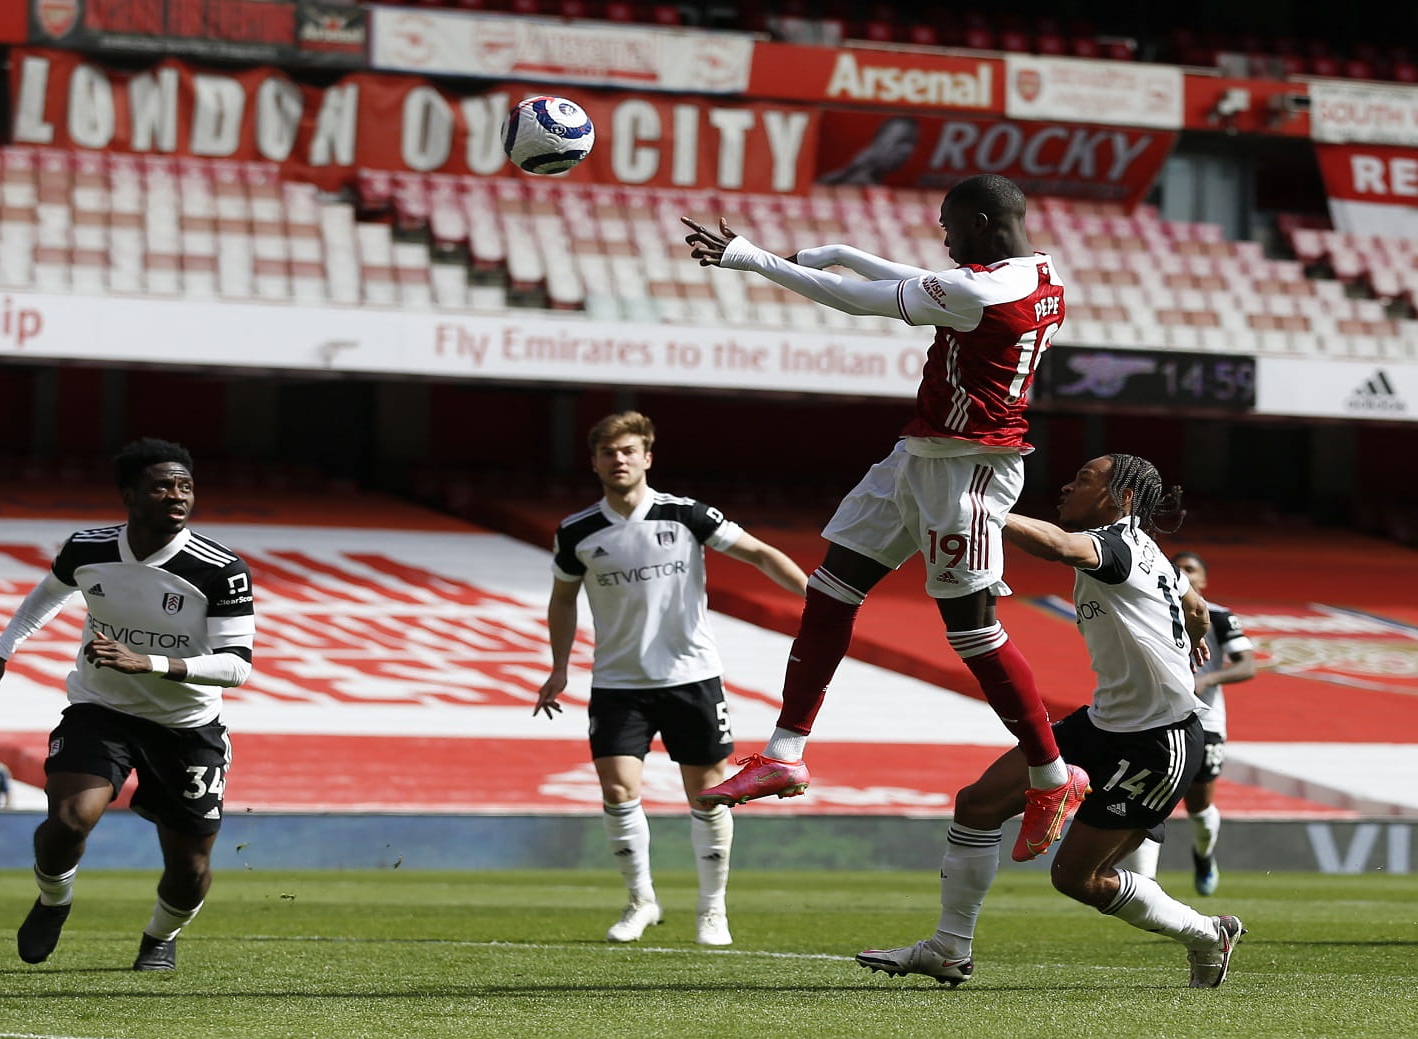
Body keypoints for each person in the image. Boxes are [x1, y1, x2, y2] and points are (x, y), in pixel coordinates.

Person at [682, 174, 1087, 864]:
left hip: (967, 468)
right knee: (831, 589)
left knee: (972, 630)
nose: (944, 239)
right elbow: (929, 284)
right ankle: (785, 753)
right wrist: (844, 251)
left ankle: (1053, 777)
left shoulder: (981, 291)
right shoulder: (1038, 273)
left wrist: (752, 258)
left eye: (949, 226)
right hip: (920, 456)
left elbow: (859, 301)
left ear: (981, 222)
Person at [856, 454, 1247, 989]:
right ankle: (949, 948)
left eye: (1083, 479)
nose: (1066, 486)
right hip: (1100, 725)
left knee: (1077, 878)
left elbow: (1058, 546)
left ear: (1122, 498)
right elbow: (1197, 608)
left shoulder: (1117, 546)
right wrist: (1192, 638)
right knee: (977, 804)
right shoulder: (1149, 552)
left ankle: (1207, 933)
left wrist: (983, 511)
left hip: (1159, 741)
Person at [0, 438, 256, 971]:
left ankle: (160, 937)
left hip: (186, 725)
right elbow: (47, 595)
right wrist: (0, 651)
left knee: (190, 867)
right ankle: (54, 900)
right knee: (69, 821)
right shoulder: (87, 548)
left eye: (186, 486)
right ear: (129, 495)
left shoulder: (221, 569)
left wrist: (150, 663)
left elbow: (237, 666)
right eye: (162, 486)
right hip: (101, 710)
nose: (177, 495)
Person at [533, 411, 806, 947]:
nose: (619, 460)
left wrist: (816, 600)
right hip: (618, 683)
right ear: (594, 463)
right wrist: (559, 666)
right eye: (609, 453)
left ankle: (712, 911)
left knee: (708, 793)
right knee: (617, 788)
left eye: (628, 451)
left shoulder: (686, 515)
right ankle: (641, 901)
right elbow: (563, 599)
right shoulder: (577, 531)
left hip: (691, 677)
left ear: (647, 458)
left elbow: (759, 553)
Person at [1114, 552, 1255, 894]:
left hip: (1207, 722)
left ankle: (1203, 856)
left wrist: (1207, 679)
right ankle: (1146, 884)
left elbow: (1247, 665)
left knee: (1198, 807)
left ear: (1204, 580)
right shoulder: (1150, 610)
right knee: (1149, 799)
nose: (1185, 574)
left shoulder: (1219, 616)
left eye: (1192, 570)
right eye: (1180, 569)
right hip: (1156, 718)